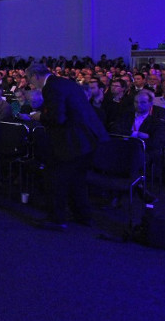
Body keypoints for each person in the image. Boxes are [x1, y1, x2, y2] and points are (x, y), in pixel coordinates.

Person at [27, 63, 109, 229]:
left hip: (70, 141)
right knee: (77, 180)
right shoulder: (64, 82)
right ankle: (83, 215)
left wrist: (39, 116)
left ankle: (57, 218)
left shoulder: (51, 87)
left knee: (56, 180)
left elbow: (58, 118)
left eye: (30, 79)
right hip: (85, 140)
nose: (31, 84)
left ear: (35, 76)